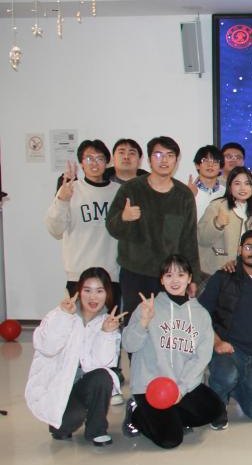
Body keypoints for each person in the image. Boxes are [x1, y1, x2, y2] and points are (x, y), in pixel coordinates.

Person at [121, 255, 226, 448]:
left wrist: (182, 388)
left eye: (181, 274)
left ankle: (171, 417)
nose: (175, 280)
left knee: (215, 409)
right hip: (150, 386)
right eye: (168, 275)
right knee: (170, 440)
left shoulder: (201, 314)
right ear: (161, 280)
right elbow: (129, 346)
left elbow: (201, 358)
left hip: (180, 383)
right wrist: (143, 323)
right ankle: (136, 414)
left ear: (189, 278)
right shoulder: (148, 307)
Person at [26, 268, 123, 446]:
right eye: (87, 290)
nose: (93, 297)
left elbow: (102, 365)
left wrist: (106, 334)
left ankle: (96, 430)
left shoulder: (107, 322)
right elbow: (47, 347)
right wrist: (63, 317)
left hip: (83, 386)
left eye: (99, 291)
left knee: (102, 377)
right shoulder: (60, 314)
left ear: (107, 293)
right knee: (63, 428)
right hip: (58, 389)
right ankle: (65, 419)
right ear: (79, 291)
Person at [106, 136, 200, 321]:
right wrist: (124, 218)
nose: (164, 160)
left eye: (169, 155)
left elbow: (189, 241)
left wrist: (193, 278)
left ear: (176, 160)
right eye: (158, 155)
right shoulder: (131, 189)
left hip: (170, 275)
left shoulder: (184, 195)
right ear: (149, 160)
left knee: (168, 326)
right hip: (135, 273)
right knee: (136, 324)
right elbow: (112, 227)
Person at [199, 230, 252, 423]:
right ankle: (218, 405)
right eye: (249, 247)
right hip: (228, 349)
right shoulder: (223, 277)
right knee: (226, 376)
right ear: (240, 250)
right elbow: (201, 314)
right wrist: (217, 342)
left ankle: (234, 386)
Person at [46, 141, 120, 298]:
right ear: (81, 163)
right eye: (89, 158)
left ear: (107, 162)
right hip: (78, 274)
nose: (94, 163)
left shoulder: (118, 191)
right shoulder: (70, 189)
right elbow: (55, 230)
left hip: (111, 275)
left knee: (111, 315)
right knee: (75, 315)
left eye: (100, 158)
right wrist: (62, 200)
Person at [197, 166, 252, 279]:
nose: (242, 188)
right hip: (214, 273)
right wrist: (217, 224)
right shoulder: (217, 206)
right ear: (230, 186)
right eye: (237, 183)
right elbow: (201, 238)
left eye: (247, 183)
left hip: (244, 275)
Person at [189, 145, 225, 219]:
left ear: (220, 168)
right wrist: (188, 196)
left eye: (215, 162)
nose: (210, 165)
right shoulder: (188, 191)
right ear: (197, 165)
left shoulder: (225, 192)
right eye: (205, 161)